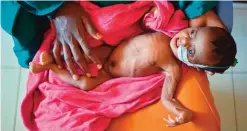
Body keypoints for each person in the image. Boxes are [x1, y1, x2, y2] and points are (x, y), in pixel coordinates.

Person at [29, 25, 237, 127]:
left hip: (110, 76)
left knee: (84, 84)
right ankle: (54, 60)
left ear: (194, 65)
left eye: (190, 52)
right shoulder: (165, 30)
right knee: (81, 54)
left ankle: (51, 68)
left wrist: (184, 113)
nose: (183, 42)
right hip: (108, 51)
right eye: (192, 34)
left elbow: (167, 98)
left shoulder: (172, 68)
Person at [1, 1, 219, 78]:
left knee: (86, 79)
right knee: (78, 75)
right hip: (59, 15)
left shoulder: (172, 30)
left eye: (190, 50)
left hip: (130, 22)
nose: (186, 42)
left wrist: (199, 10)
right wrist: (57, 8)